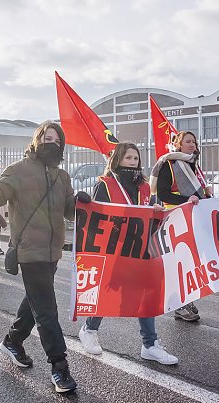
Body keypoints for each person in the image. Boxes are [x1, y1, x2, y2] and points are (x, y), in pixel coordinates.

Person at [0, 121, 80, 394]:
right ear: (36, 140)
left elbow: (69, 212)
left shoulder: (62, 176)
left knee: (35, 301)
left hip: (53, 252)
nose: (51, 143)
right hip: (30, 251)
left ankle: (12, 341)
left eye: (56, 140)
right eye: (46, 138)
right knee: (46, 310)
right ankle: (59, 366)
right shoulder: (17, 170)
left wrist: (80, 202)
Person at [78, 142, 178, 365]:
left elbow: (151, 210)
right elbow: (97, 216)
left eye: (136, 158)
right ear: (117, 160)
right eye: (128, 158)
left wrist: (157, 210)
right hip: (114, 249)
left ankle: (150, 344)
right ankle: (89, 329)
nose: (133, 162)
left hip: (140, 248)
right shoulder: (105, 184)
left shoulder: (144, 186)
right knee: (107, 290)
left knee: (146, 292)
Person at [151, 131, 209, 322]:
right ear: (178, 145)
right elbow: (164, 194)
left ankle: (187, 299)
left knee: (191, 262)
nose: (192, 145)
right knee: (179, 263)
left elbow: (198, 193)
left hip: (192, 218)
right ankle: (179, 304)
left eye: (194, 141)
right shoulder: (170, 163)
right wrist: (187, 199)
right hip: (176, 218)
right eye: (188, 142)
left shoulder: (194, 165)